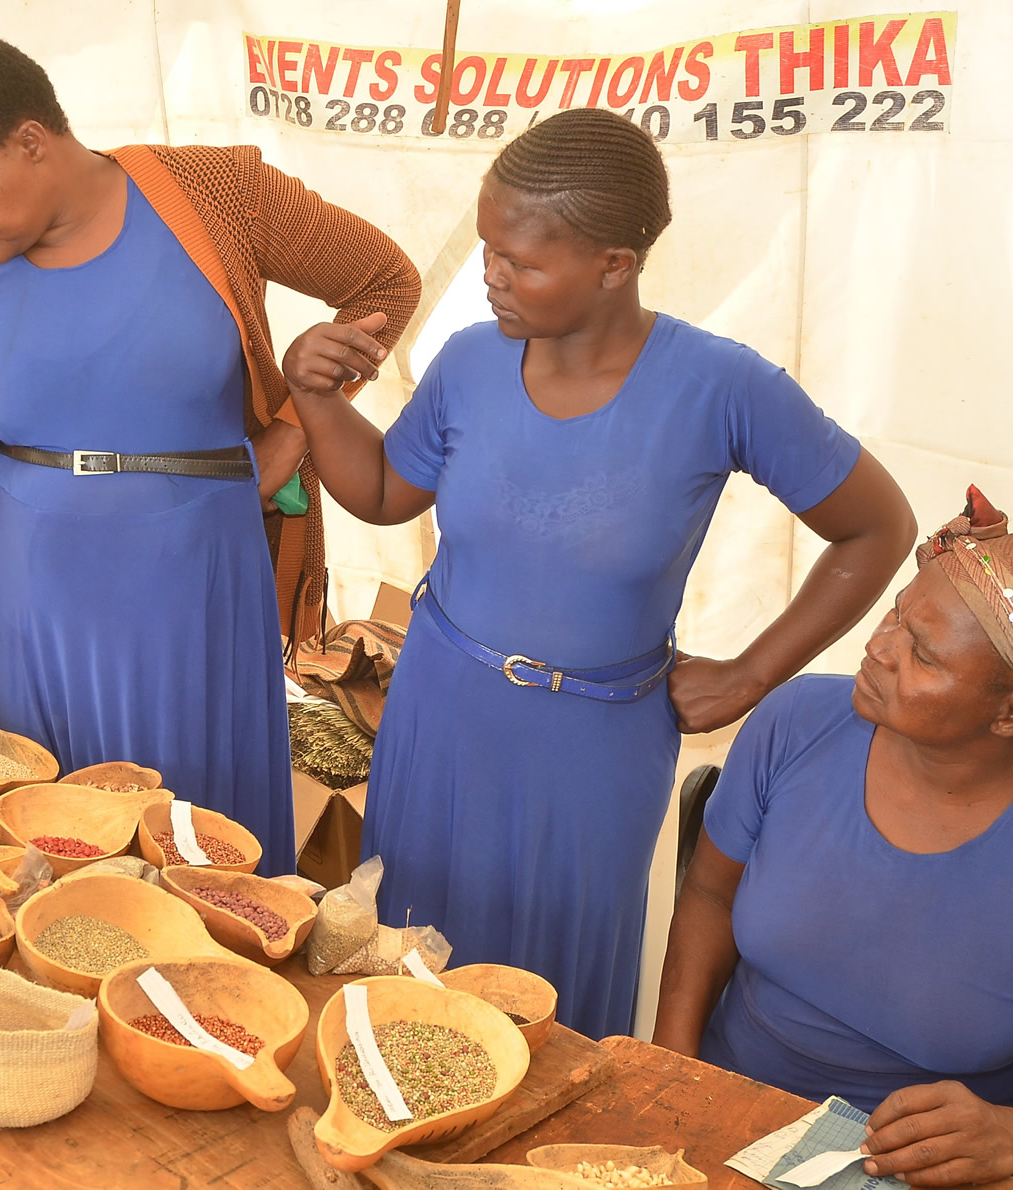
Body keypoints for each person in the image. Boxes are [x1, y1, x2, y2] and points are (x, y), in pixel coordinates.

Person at [287, 108, 916, 1036]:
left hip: (592, 748)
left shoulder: (722, 387)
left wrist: (750, 675)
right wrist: (313, 396)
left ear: (615, 264)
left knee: (553, 995)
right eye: (488, 248)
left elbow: (878, 527)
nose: (490, 274)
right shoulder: (470, 360)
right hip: (439, 715)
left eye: (520, 261)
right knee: (408, 968)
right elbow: (384, 492)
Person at [0, 35, 420, 874]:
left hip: (197, 597)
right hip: (29, 614)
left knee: (203, 856)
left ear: (32, 141)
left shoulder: (217, 195)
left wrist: (297, 427)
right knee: (50, 856)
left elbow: (385, 282)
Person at [655, 488, 1013, 1189]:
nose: (878, 647)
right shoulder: (796, 722)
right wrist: (674, 1072)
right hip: (727, 1114)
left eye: (924, 655)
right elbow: (709, 895)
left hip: (918, 1170)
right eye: (897, 613)